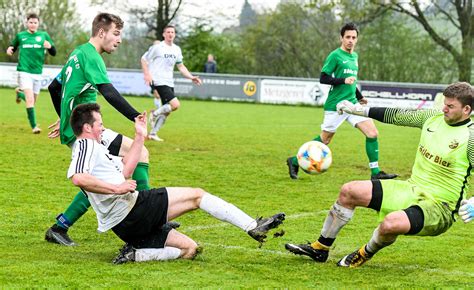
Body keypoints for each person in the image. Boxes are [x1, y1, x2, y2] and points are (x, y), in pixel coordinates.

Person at [68, 103, 285, 264]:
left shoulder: (96, 148)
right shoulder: (86, 144)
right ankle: (253, 226)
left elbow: (126, 170)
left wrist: (139, 136)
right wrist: (117, 188)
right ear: (87, 127)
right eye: (100, 124)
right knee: (197, 195)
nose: (103, 128)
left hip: (125, 225)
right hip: (134, 209)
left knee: (190, 249)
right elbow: (78, 177)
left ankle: (136, 254)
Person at [285, 82, 474, 267]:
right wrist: (357, 110)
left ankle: (363, 253)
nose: (444, 109)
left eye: (450, 106)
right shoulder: (432, 118)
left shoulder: (471, 136)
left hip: (440, 207)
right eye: (444, 104)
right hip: (411, 188)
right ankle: (320, 248)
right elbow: (396, 115)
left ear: (466, 109)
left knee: (390, 224)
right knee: (349, 191)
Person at [44, 13, 152, 247]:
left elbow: (54, 87)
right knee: (135, 156)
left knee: (123, 164)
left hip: (80, 128)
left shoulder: (78, 52)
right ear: (101, 32)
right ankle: (149, 218)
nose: (119, 39)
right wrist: (136, 117)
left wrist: (65, 118)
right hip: (85, 131)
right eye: (116, 33)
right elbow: (109, 92)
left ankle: (60, 226)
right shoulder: (91, 56)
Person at [286, 23, 396, 180]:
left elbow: (352, 80)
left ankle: (375, 173)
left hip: (352, 103)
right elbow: (323, 78)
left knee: (372, 133)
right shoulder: (335, 56)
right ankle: (295, 160)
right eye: (347, 37)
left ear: (357, 39)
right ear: (341, 38)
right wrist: (343, 80)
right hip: (336, 105)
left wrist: (359, 96)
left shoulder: (355, 56)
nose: (351, 40)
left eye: (354, 37)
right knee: (325, 140)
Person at [141, 25, 202, 142]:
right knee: (175, 105)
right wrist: (146, 74)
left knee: (168, 111)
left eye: (172, 32)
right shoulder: (158, 47)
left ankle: (153, 133)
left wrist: (191, 77)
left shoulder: (176, 49)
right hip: (158, 80)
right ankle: (154, 113)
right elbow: (144, 59)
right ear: (164, 34)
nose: (170, 34)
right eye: (168, 32)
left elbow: (181, 66)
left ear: (174, 35)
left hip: (169, 81)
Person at [6, 13, 56, 134]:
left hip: (37, 72)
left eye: (35, 22)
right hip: (24, 71)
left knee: (33, 101)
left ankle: (19, 93)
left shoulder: (44, 36)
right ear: (27, 23)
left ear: (38, 24)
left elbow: (54, 52)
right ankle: (34, 127)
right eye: (30, 22)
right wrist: (10, 49)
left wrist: (49, 47)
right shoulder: (20, 36)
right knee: (29, 100)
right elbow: (13, 46)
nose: (33, 24)